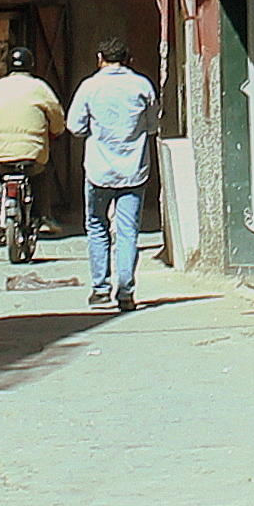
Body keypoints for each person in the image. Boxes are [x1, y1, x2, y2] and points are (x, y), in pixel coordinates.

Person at [68, 33, 159, 313]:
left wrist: (93, 132)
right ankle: (126, 290)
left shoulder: (89, 87)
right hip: (134, 169)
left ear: (100, 59)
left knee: (97, 226)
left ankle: (100, 289)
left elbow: (74, 125)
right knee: (128, 230)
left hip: (99, 169)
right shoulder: (142, 86)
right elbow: (153, 125)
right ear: (128, 60)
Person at [0, 45, 63, 261]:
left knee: (0, 171)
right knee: (40, 174)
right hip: (33, 152)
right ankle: (43, 214)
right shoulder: (40, 87)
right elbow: (57, 115)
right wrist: (55, 131)